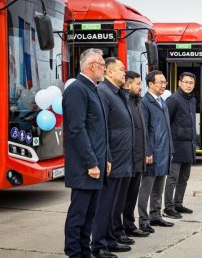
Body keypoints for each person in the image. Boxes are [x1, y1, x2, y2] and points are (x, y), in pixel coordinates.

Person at [63, 48, 111, 258]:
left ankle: (84, 251)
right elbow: (77, 129)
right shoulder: (77, 89)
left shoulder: (92, 89)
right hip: (85, 166)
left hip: (97, 164)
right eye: (102, 65)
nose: (104, 70)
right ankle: (74, 253)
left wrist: (106, 158)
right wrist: (91, 162)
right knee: (78, 214)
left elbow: (100, 128)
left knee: (90, 214)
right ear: (92, 66)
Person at [91, 57, 132, 258]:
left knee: (115, 203)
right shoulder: (103, 92)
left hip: (123, 158)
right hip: (112, 159)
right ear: (108, 72)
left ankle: (110, 239)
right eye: (121, 70)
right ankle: (98, 246)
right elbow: (102, 129)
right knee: (105, 204)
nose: (124, 73)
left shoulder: (118, 93)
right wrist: (107, 157)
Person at [112, 71, 150, 238]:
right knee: (120, 199)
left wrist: (146, 151)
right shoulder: (124, 103)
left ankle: (129, 225)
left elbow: (143, 131)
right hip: (127, 159)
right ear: (127, 84)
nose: (140, 87)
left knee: (131, 196)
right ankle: (117, 229)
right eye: (138, 84)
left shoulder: (137, 103)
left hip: (139, 158)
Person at [138, 70, 174, 233]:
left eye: (164, 82)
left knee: (159, 186)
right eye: (160, 82)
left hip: (164, 152)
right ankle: (144, 219)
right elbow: (144, 130)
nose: (163, 85)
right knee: (147, 187)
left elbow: (167, 129)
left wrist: (170, 149)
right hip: (152, 153)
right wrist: (147, 152)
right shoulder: (144, 103)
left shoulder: (162, 102)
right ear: (150, 84)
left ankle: (156, 215)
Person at [163, 72, 197, 219]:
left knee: (184, 178)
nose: (188, 85)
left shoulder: (192, 100)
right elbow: (166, 123)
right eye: (186, 82)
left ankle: (178, 203)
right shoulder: (173, 100)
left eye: (191, 83)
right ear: (179, 83)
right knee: (172, 178)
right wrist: (169, 146)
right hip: (176, 146)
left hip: (188, 146)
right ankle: (168, 207)